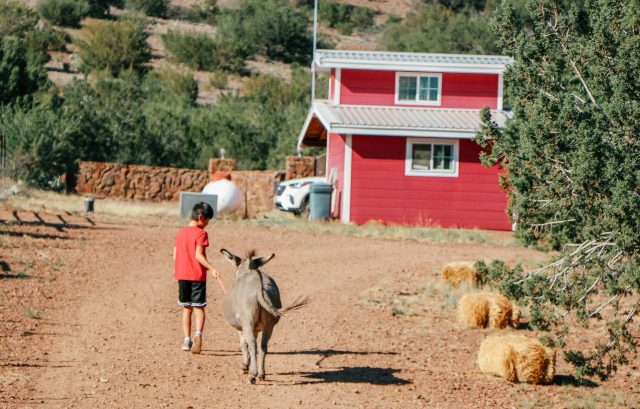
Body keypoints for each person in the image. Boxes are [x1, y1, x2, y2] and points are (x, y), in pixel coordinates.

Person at [173, 201, 220, 354]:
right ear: (201, 217)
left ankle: (186, 340)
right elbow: (198, 255)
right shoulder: (201, 233)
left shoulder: (180, 232)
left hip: (182, 275)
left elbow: (175, 256)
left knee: (187, 308)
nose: (207, 224)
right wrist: (212, 269)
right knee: (199, 307)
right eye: (207, 220)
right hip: (197, 276)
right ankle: (198, 335)